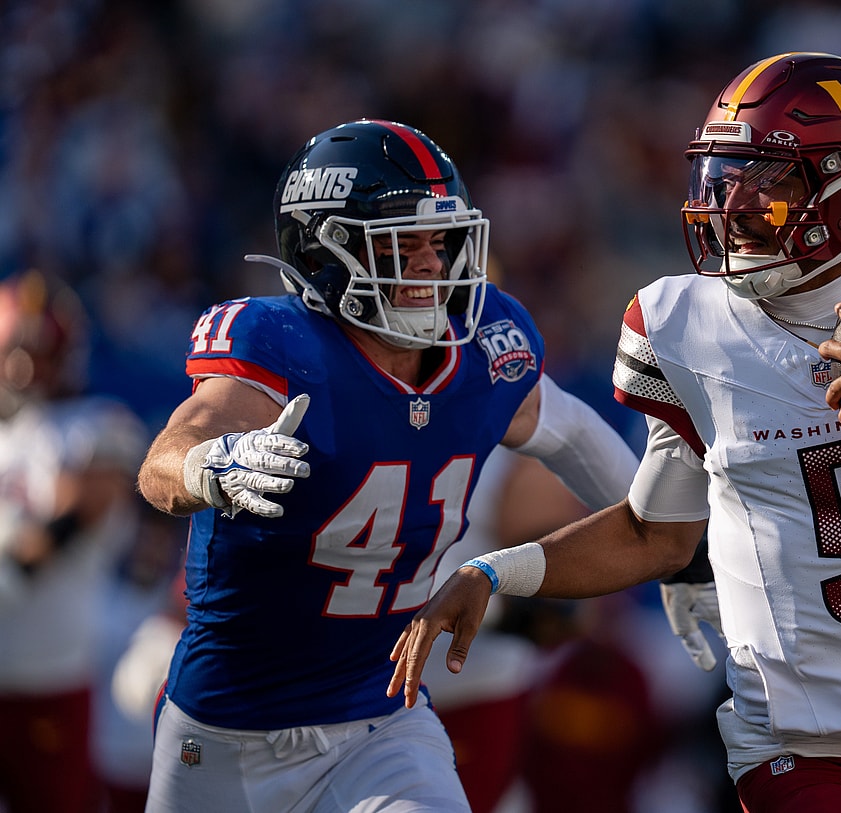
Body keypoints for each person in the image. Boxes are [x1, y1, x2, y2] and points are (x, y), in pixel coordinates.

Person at [389, 53, 841, 813]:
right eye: (721, 174)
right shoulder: (680, 323)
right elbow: (658, 532)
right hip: (792, 747)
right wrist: (497, 572)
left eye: (767, 178)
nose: (730, 201)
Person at [135, 119, 638, 813]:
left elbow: (572, 431)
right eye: (403, 243)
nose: (432, 265)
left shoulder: (483, 352)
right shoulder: (278, 346)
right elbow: (167, 455)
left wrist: (672, 548)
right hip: (224, 733)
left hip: (382, 721)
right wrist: (209, 467)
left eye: (442, 240)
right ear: (325, 251)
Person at [0, 269, 149, 813]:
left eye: (37, 348)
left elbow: (76, 513)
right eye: (18, 348)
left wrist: (11, 574)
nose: (23, 364)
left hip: (52, 674)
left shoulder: (96, 424)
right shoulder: (10, 432)